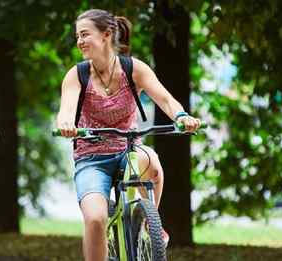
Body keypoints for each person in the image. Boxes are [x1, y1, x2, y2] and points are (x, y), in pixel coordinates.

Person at [55, 9, 201, 261]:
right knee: (95, 219)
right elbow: (65, 111)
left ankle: (147, 223)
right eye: (77, 36)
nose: (79, 41)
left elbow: (166, 100)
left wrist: (181, 117)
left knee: (152, 161)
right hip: (91, 158)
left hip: (127, 150)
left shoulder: (134, 69)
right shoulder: (76, 75)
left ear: (106, 34)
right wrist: (67, 124)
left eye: (84, 34)